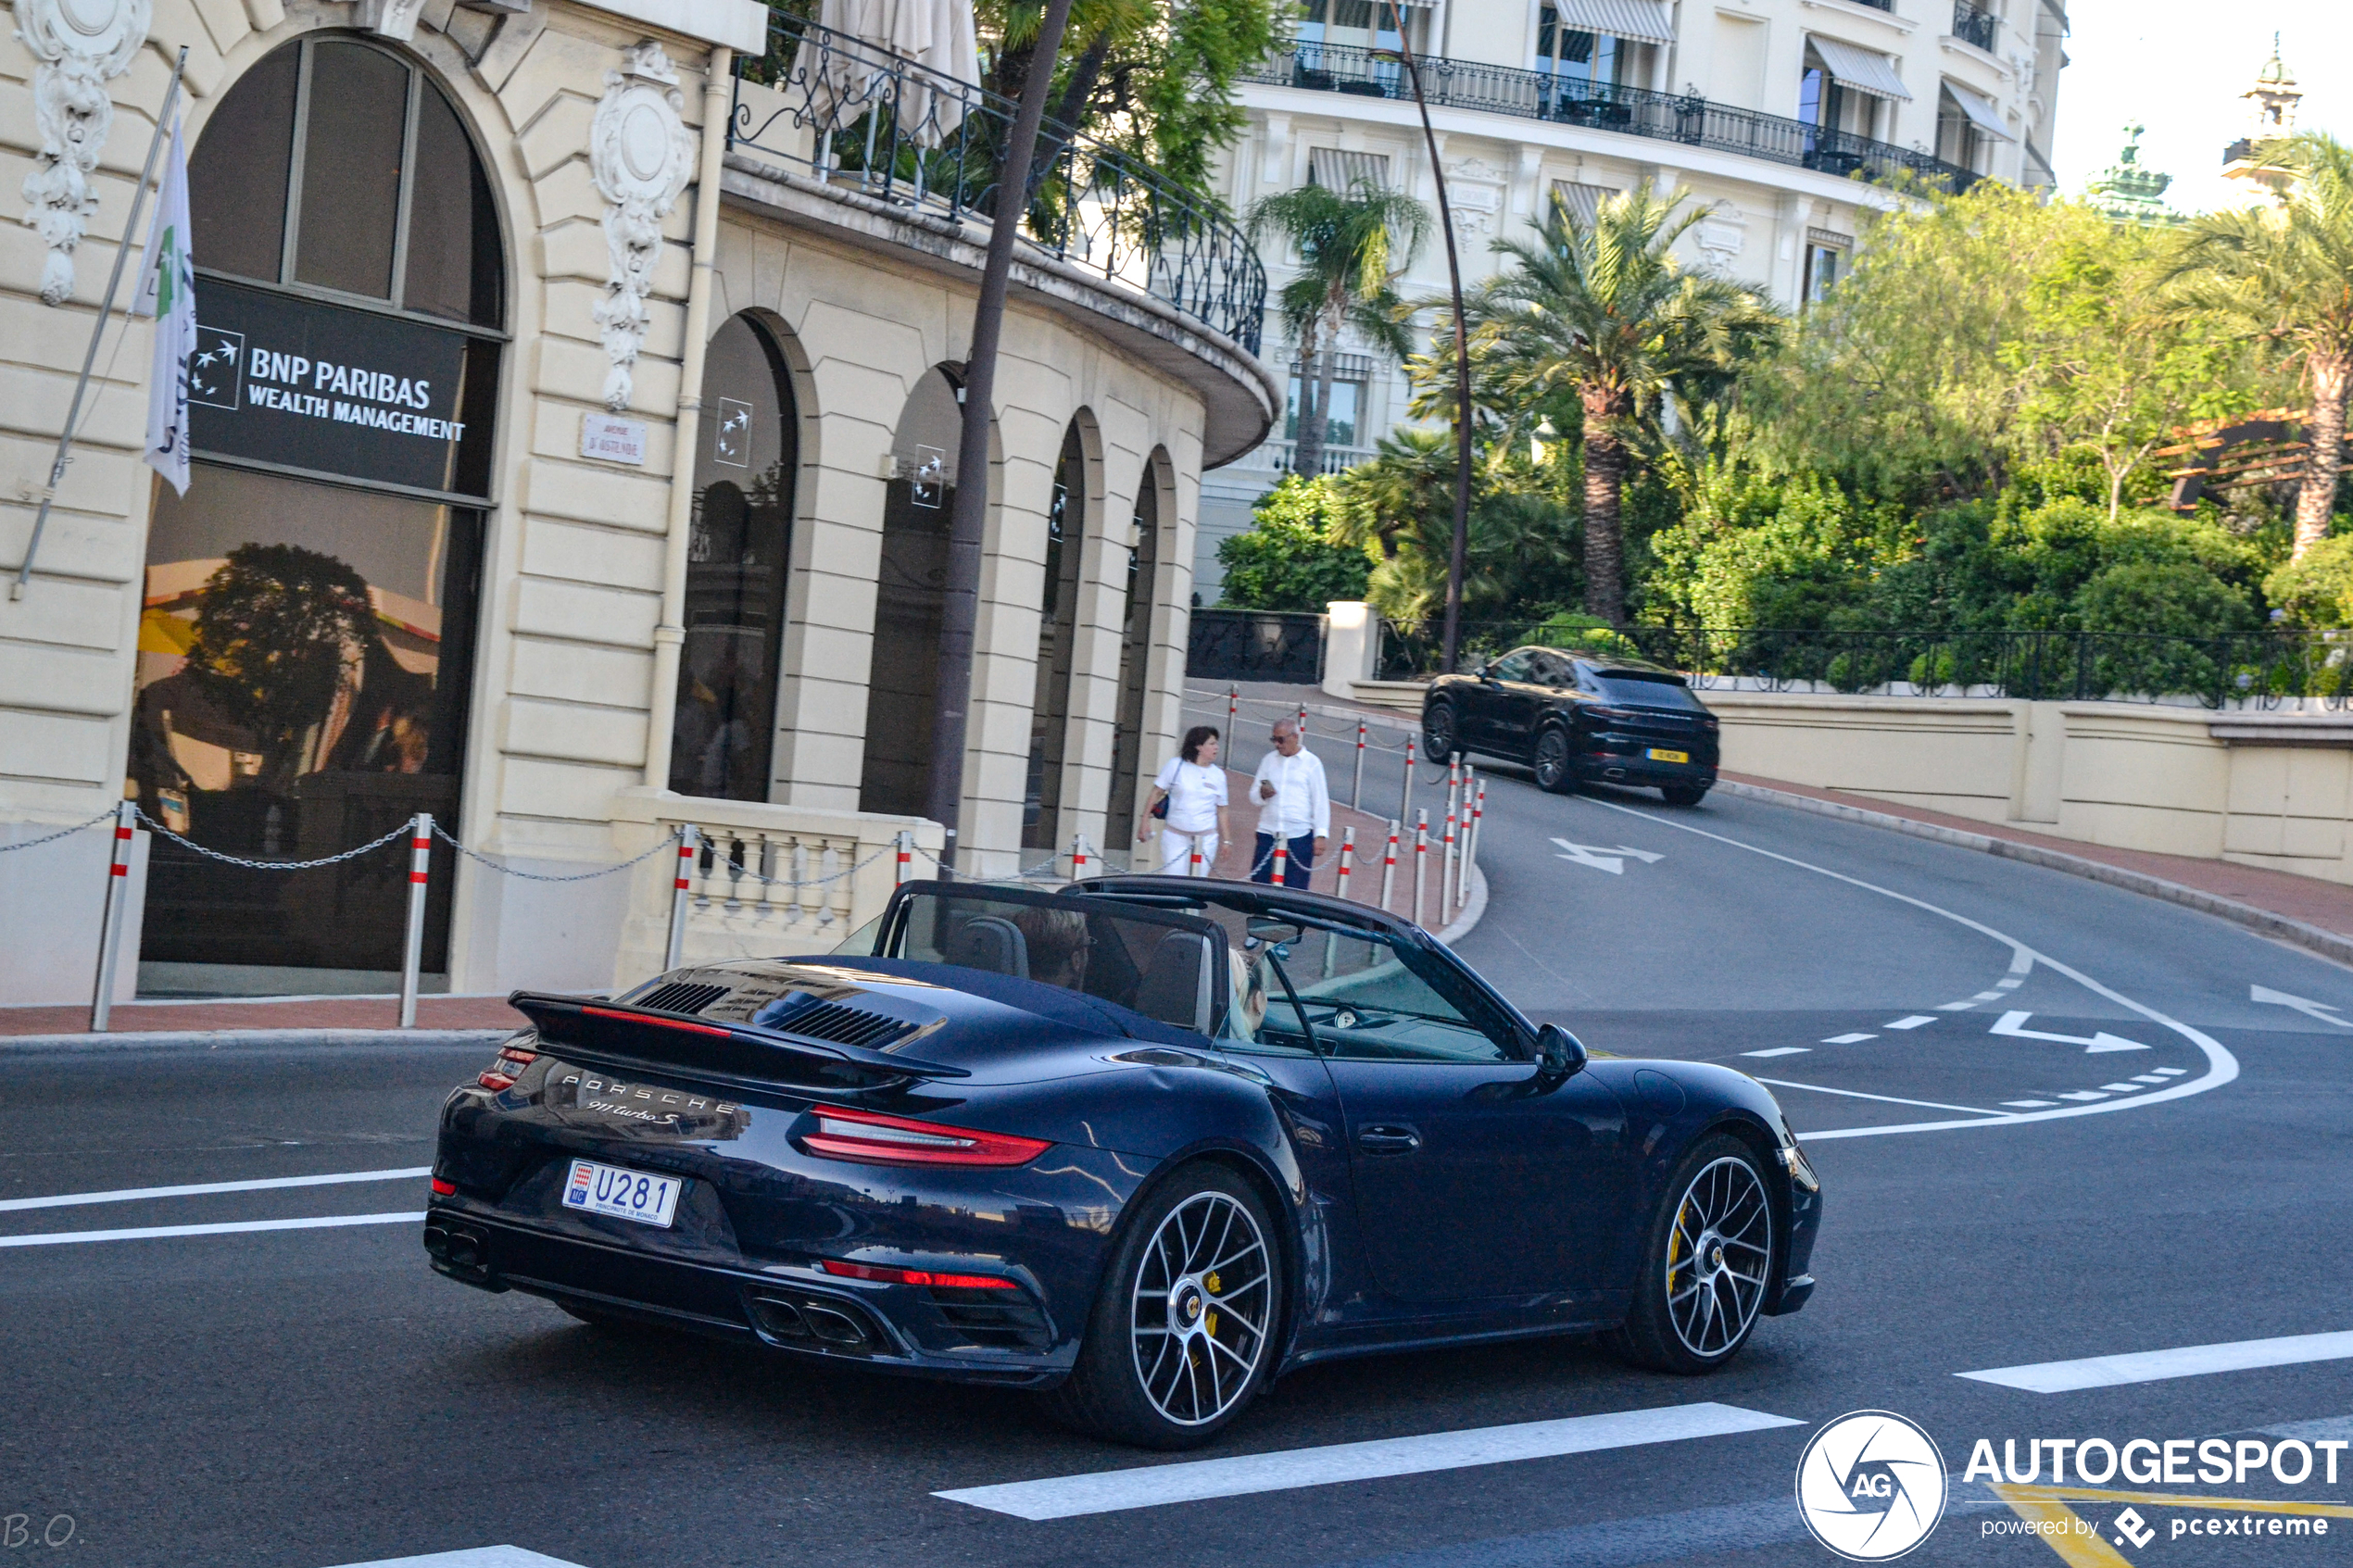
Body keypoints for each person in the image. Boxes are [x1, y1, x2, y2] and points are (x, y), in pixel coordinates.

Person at [1250, 716, 1327, 887]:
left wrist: (1320, 835)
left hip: (1298, 835)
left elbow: (1320, 801)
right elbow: (1253, 796)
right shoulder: (1269, 760)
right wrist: (1262, 794)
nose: (1277, 744)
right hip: (1268, 832)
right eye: (1274, 739)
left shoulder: (1312, 763)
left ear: (1295, 737)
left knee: (1295, 887)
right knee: (1260, 883)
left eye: (1281, 739)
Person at [1141, 725, 1228, 876]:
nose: (1217, 747)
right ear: (1199, 746)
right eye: (1212, 743)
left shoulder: (1218, 775)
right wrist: (1144, 822)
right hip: (1176, 836)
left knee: (1198, 883)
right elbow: (1156, 792)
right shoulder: (1176, 765)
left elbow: (1222, 809)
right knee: (1174, 880)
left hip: (1206, 838)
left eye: (1216, 743)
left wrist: (1227, 840)